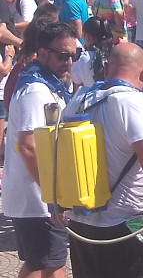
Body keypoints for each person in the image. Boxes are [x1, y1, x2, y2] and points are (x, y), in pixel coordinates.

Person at [63, 43, 143, 278]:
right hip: (129, 225)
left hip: (82, 222)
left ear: (107, 68)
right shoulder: (132, 102)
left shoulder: (79, 99)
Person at [2, 21, 78, 278]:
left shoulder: (49, 84)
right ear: (43, 53)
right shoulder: (36, 90)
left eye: (73, 54)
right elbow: (28, 146)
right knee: (52, 264)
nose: (69, 61)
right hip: (38, 198)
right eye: (62, 55)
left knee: (41, 262)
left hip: (38, 196)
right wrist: (53, 196)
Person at [71, 17, 114, 87]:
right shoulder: (116, 54)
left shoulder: (83, 58)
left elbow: (76, 85)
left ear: (87, 36)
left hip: (91, 95)